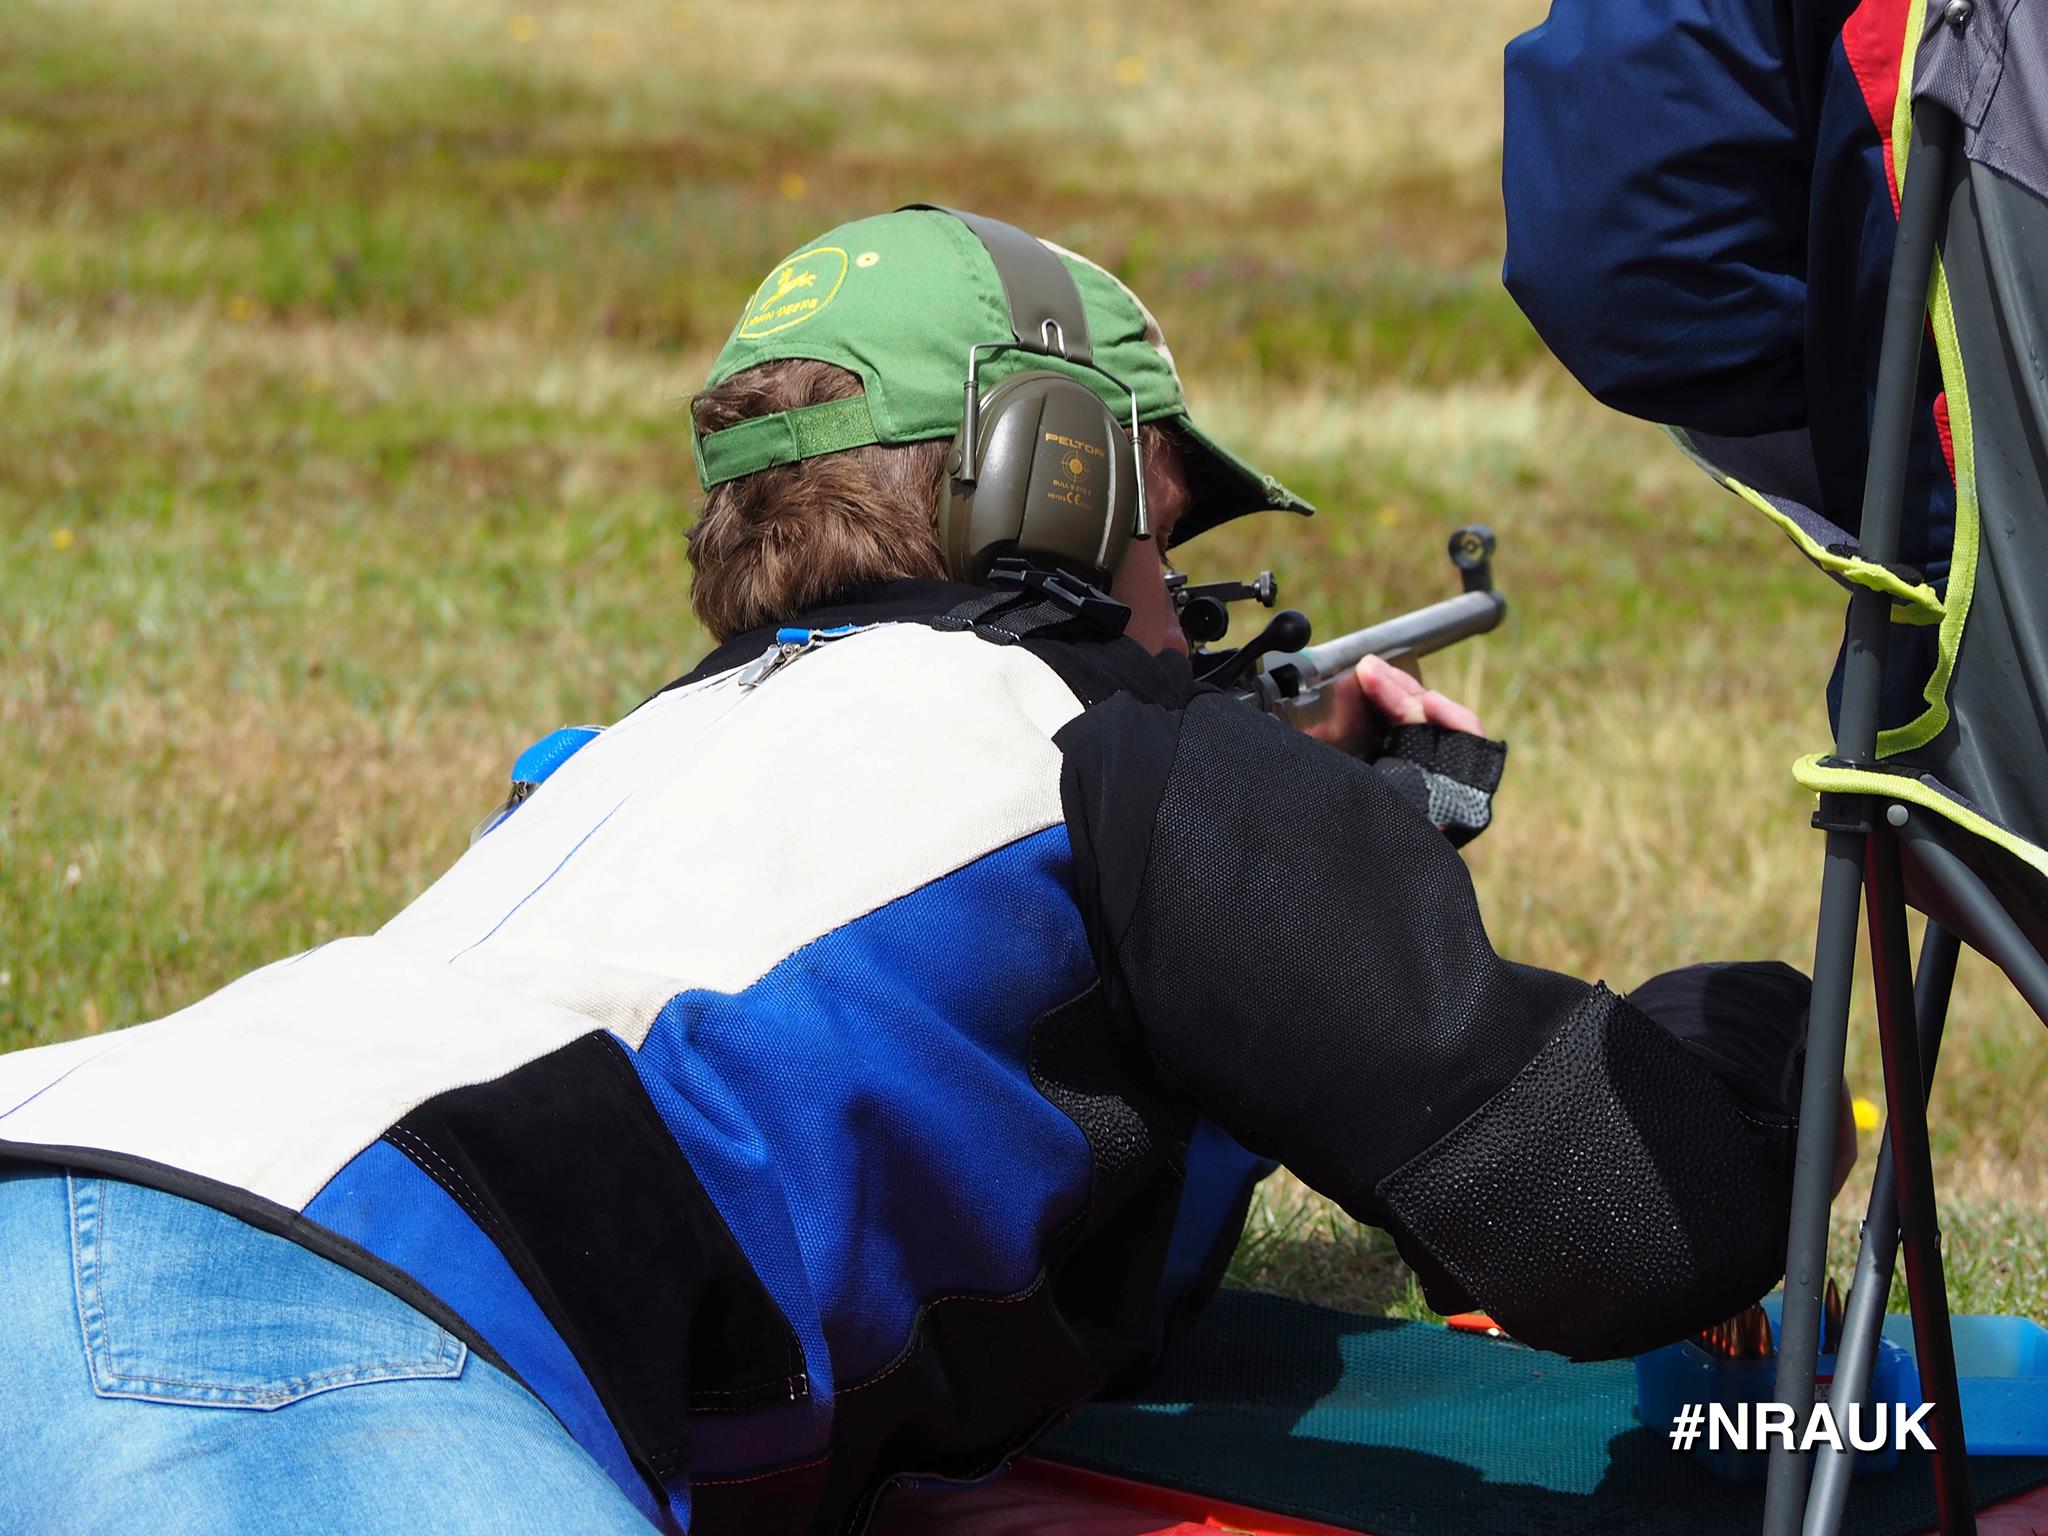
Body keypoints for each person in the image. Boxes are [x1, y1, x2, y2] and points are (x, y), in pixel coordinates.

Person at [0, 207, 1820, 1535]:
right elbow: (1621, 1224)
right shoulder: (1106, 751)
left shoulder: (610, 769)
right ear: (1054, 481)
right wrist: (1748, 1033)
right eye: (1166, 542)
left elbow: (1052, 1261)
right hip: (328, 1315)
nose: (1178, 615)